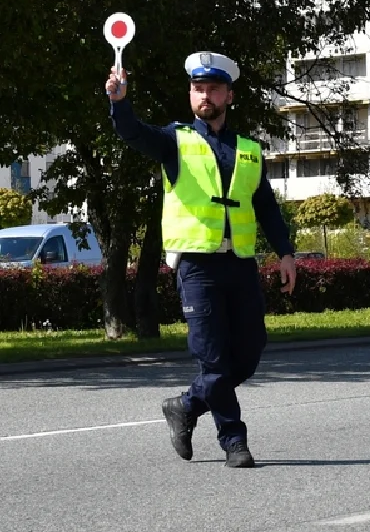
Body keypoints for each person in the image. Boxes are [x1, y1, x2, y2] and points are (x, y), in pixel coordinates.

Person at [106, 51, 297, 468]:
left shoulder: (248, 150)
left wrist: (286, 253)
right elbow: (133, 133)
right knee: (213, 358)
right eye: (197, 89)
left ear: (228, 95)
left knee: (247, 354)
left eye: (212, 89)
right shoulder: (175, 142)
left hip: (240, 265)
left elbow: (265, 205)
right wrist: (120, 102)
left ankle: (186, 406)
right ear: (191, 95)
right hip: (197, 267)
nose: (204, 95)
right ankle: (234, 442)